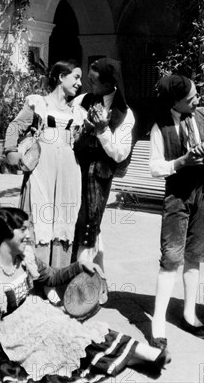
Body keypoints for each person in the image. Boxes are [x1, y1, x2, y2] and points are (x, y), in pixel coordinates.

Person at [0, 208, 171, 383]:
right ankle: (143, 356)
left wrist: (80, 266)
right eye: (24, 231)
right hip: (3, 333)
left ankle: (146, 354)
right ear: (6, 235)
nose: (29, 236)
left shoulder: (26, 257)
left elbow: (51, 277)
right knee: (61, 335)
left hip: (33, 314)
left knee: (76, 329)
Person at [148, 75, 204, 349]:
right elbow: (156, 167)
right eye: (191, 98)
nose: (197, 100)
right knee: (171, 256)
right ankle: (158, 322)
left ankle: (189, 314)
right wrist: (182, 161)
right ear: (175, 101)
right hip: (178, 195)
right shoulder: (161, 127)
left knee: (194, 255)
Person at [4, 60, 83, 269]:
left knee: (63, 216)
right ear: (60, 77)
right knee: (40, 215)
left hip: (68, 169)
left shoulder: (76, 111)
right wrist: (11, 151)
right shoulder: (39, 103)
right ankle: (36, 272)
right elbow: (15, 126)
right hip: (42, 167)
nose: (79, 83)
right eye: (76, 77)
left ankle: (56, 274)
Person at [71, 58, 135, 270]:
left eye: (93, 81)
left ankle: (83, 279)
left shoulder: (124, 114)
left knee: (90, 221)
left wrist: (102, 131)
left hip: (99, 175)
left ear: (109, 85)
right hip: (76, 169)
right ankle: (97, 275)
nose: (88, 85)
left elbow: (120, 153)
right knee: (83, 221)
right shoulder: (81, 101)